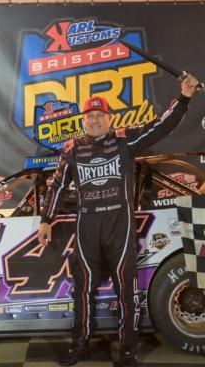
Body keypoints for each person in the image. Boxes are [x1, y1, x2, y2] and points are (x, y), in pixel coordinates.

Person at [37, 74, 199, 367]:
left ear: (109, 118)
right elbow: (57, 185)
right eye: (90, 116)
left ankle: (128, 349)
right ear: (83, 120)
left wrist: (184, 98)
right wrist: (46, 219)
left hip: (120, 227)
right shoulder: (72, 148)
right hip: (86, 227)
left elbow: (160, 127)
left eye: (100, 115)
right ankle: (80, 343)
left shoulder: (124, 139)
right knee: (82, 290)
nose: (95, 120)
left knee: (127, 291)